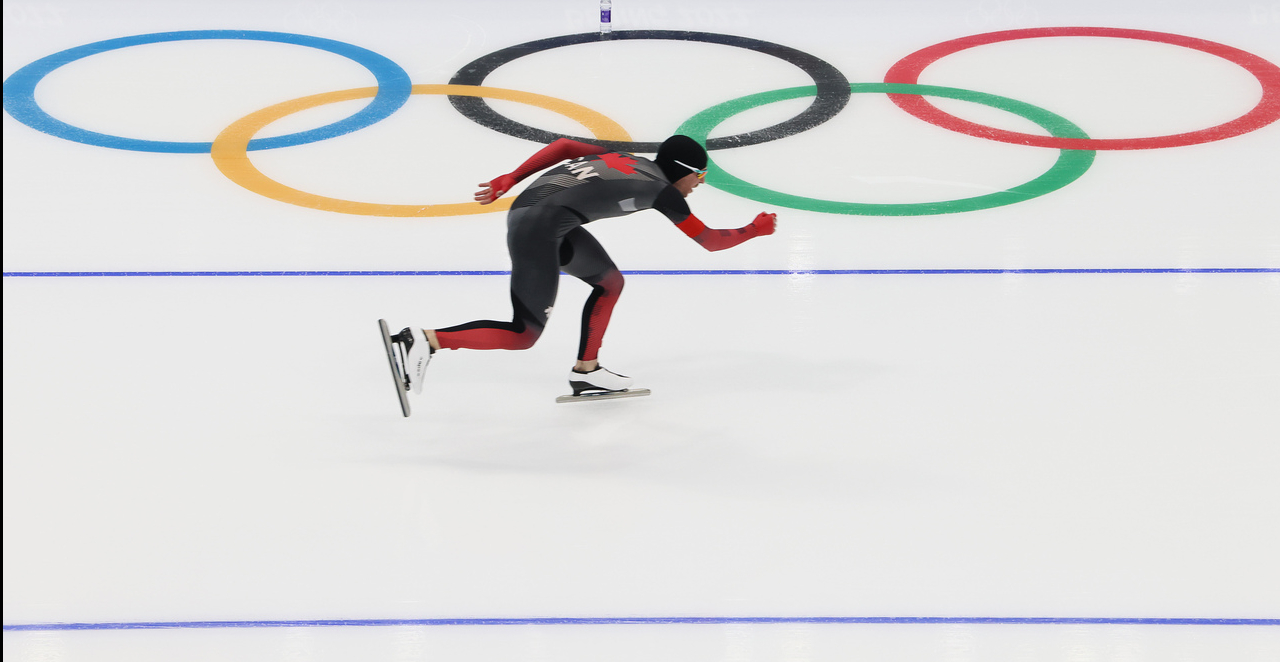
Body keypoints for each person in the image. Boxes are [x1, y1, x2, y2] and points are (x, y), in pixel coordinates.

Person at [389, 134, 777, 397]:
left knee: (610, 283)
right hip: (540, 228)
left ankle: (587, 371)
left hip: (546, 217)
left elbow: (564, 146)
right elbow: (709, 241)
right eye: (701, 176)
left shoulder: (630, 160)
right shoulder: (663, 192)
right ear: (684, 171)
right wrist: (754, 231)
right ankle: (424, 340)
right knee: (524, 334)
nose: (700, 184)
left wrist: (513, 176)